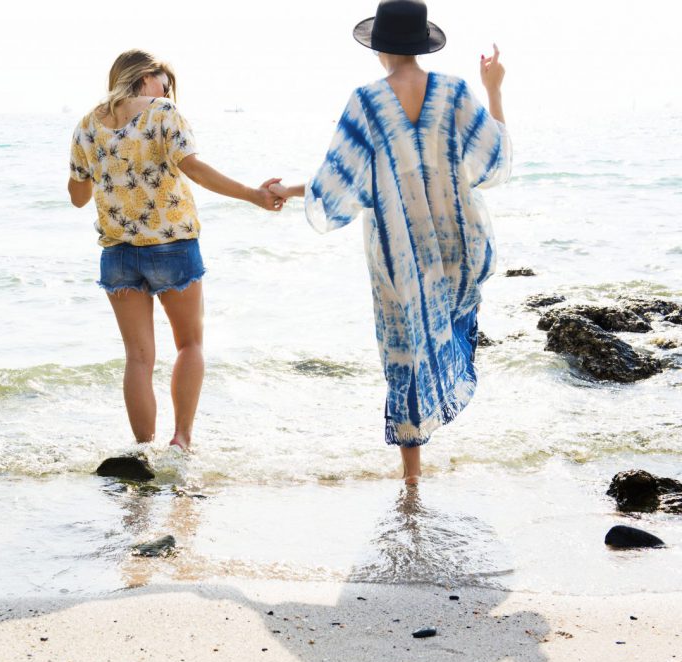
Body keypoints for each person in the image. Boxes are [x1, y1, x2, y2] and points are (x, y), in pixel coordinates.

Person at [269, 0, 511, 484]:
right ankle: (430, 459)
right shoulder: (457, 92)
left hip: (398, 252)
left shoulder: (367, 102)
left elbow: (337, 180)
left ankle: (412, 478)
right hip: (455, 243)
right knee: (446, 331)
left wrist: (285, 190)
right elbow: (495, 158)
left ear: (379, 46)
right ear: (421, 44)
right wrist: (493, 89)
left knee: (404, 351)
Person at [68, 49, 284, 451]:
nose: (167, 91)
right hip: (172, 247)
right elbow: (195, 169)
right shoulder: (163, 111)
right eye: (164, 83)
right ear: (145, 77)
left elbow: (78, 196)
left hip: (117, 253)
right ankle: (181, 440)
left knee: (138, 358)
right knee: (189, 345)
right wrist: (254, 195)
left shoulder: (86, 124)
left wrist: (105, 165)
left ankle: (143, 451)